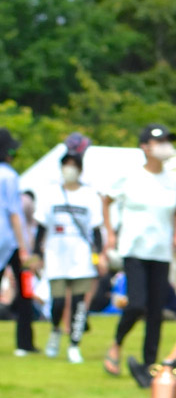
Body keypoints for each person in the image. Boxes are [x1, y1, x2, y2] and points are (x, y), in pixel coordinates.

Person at [101, 124, 176, 379]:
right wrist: (111, 233)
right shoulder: (130, 176)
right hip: (135, 249)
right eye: (159, 141)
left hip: (161, 252)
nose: (165, 146)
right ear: (145, 147)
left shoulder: (173, 181)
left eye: (167, 141)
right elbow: (106, 200)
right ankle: (116, 343)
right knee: (137, 303)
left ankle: (149, 364)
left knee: (156, 310)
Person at [35, 145, 103, 363]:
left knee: (79, 303)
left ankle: (74, 343)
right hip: (56, 255)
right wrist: (37, 253)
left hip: (81, 256)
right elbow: (41, 226)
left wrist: (99, 255)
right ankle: (55, 330)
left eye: (74, 165)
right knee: (57, 301)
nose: (69, 169)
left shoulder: (89, 195)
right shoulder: (50, 193)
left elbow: (96, 228)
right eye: (66, 165)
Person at [0, 127, 35, 357]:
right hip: (9, 241)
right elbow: (15, 214)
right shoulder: (9, 176)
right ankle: (24, 342)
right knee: (24, 292)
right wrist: (24, 248)